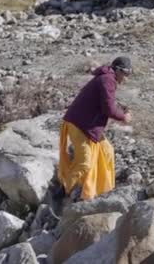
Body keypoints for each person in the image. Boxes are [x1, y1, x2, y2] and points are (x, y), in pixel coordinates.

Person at [57, 56, 133, 202]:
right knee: (84, 161)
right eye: (126, 74)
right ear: (118, 70)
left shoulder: (107, 78)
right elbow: (109, 109)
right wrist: (124, 117)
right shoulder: (107, 80)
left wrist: (120, 111)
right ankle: (63, 191)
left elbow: (106, 103)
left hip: (89, 126)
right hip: (79, 125)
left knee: (107, 151)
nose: (127, 79)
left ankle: (102, 190)